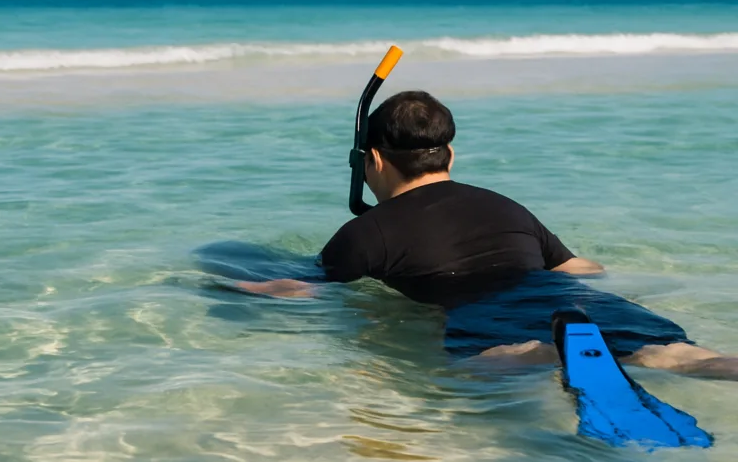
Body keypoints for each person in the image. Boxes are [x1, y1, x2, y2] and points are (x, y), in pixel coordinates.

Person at [238, 91, 738, 379]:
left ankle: (553, 353)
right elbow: (582, 268)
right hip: (566, 295)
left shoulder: (365, 233)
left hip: (483, 311)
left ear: (373, 161)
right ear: (449, 156)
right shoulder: (505, 205)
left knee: (484, 368)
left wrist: (213, 286)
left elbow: (301, 290)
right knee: (680, 355)